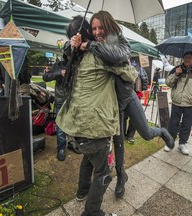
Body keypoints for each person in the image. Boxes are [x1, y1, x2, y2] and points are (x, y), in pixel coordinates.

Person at [72, 11, 174, 199]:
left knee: (145, 133)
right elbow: (73, 56)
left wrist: (91, 45)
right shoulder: (94, 46)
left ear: (108, 25)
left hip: (128, 98)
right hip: (112, 105)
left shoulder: (118, 40)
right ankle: (121, 178)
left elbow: (118, 56)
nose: (96, 32)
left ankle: (162, 132)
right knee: (118, 145)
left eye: (100, 27)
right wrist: (75, 44)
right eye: (93, 28)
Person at [56, 16, 137, 216]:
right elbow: (130, 74)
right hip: (93, 126)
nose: (98, 33)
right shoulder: (98, 56)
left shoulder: (76, 55)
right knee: (103, 172)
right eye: (93, 30)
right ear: (87, 34)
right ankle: (92, 211)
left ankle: (82, 191)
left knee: (89, 158)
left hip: (77, 126)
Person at [42, 42, 81, 161]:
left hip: (75, 99)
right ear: (65, 54)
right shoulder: (58, 65)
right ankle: (61, 148)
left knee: (74, 123)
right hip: (61, 99)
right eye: (68, 54)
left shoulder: (78, 64)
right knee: (60, 125)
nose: (70, 56)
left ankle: (72, 143)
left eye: (72, 54)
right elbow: (45, 77)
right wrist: (60, 73)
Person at [165, 51, 192, 155]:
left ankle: (182, 144)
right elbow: (168, 83)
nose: (187, 59)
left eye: (190, 57)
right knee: (173, 124)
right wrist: (176, 74)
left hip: (190, 104)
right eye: (185, 57)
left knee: (187, 125)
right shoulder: (176, 69)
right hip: (177, 102)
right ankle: (170, 143)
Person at [124, 60, 149, 144]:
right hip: (127, 94)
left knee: (128, 116)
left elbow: (144, 79)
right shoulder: (139, 68)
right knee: (127, 116)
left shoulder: (138, 67)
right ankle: (127, 135)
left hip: (133, 94)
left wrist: (143, 89)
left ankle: (128, 135)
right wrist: (144, 89)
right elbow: (145, 79)